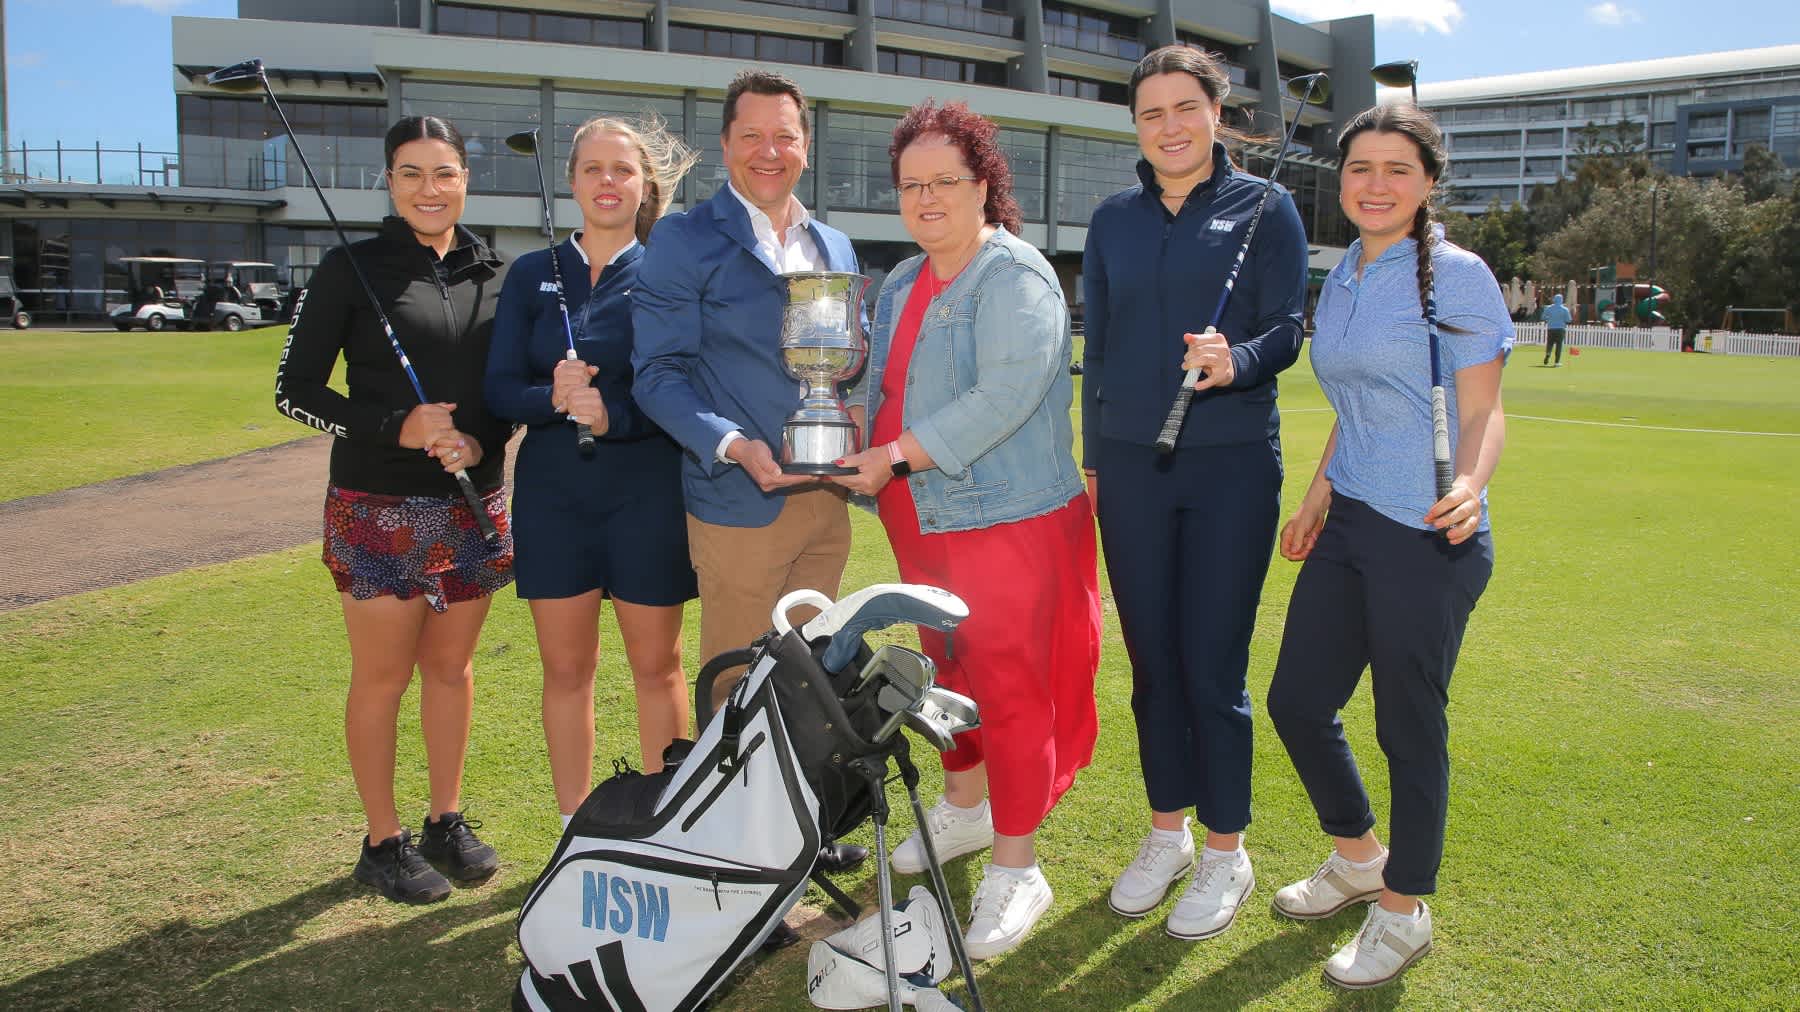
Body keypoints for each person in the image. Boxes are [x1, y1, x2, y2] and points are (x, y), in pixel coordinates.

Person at [830, 101, 1101, 960]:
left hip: (1005, 520)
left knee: (1014, 690)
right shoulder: (906, 279)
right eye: (912, 184)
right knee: (949, 670)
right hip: (925, 512)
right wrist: (837, 424)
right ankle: (966, 808)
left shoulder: (1015, 275)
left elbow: (1004, 397)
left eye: (947, 180)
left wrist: (897, 454)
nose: (928, 197)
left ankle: (1018, 866)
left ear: (985, 184)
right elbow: (887, 388)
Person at [1265, 103, 1510, 989]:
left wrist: (1471, 488)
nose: (1375, 184)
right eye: (1360, 168)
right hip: (1353, 517)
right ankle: (1359, 856)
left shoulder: (1457, 276)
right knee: (1296, 702)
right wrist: (1319, 493)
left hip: (1427, 535)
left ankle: (1404, 908)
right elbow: (1354, 401)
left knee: (1409, 727)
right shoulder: (1345, 276)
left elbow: (1482, 411)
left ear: (1428, 184)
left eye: (1396, 170)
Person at [629, 69, 868, 927]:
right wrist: (735, 444)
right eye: (754, 135)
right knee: (738, 684)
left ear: (806, 144)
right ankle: (731, 866)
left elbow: (847, 362)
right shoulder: (686, 239)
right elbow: (656, 374)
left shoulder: (833, 246)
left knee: (809, 682)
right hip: (738, 498)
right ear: (726, 145)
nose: (772, 151)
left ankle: (794, 832)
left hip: (825, 500)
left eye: (787, 135)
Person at [1081, 44, 1307, 941]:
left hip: (1231, 463)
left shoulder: (1270, 207)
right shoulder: (1112, 218)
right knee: (1151, 665)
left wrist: (1237, 358)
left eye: (1185, 108)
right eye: (1150, 113)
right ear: (1136, 126)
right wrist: (1096, 461)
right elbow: (1098, 350)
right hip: (1133, 466)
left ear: (1217, 113)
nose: (1169, 127)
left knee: (1212, 667)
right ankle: (1166, 830)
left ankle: (1226, 850)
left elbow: (1291, 326)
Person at [276, 115, 511, 904]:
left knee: (452, 670)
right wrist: (394, 426)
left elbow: (504, 393)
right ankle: (382, 841)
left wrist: (484, 443)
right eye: (410, 173)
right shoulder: (352, 268)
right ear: (389, 182)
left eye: (442, 173)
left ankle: (446, 818)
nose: (428, 189)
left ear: (464, 180)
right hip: (376, 507)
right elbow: (295, 390)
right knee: (383, 679)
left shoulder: (495, 273)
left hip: (469, 507)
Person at [486, 116, 700, 831]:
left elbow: (681, 387)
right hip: (554, 497)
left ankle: (663, 823)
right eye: (593, 169)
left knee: (657, 667)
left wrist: (615, 415)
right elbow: (497, 389)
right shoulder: (529, 273)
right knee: (566, 672)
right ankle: (577, 827)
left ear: (645, 185)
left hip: (645, 493)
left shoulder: (667, 273)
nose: (607, 182)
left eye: (622, 170)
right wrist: (550, 396)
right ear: (574, 182)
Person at [1540, 292, 1572, 365]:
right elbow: (1569, 320)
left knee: (1550, 343)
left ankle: (1548, 354)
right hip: (1560, 329)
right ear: (1561, 300)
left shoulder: (1549, 308)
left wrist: (1548, 319)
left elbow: (1543, 317)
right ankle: (1556, 362)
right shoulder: (1565, 309)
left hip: (1551, 328)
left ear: (1554, 300)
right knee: (1559, 345)